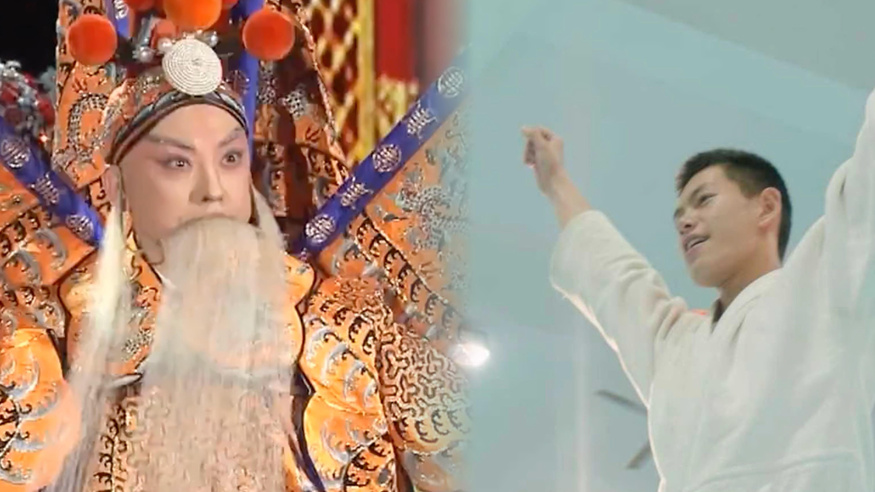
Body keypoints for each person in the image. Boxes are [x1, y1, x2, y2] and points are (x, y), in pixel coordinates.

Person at [0, 1, 466, 491]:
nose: (213, 191)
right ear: (116, 186)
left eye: (229, 159)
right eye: (178, 164)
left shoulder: (342, 326)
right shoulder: (47, 331)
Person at [522, 115, 874, 491]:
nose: (685, 222)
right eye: (679, 216)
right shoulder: (675, 346)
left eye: (704, 200)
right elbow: (611, 275)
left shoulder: (826, 284)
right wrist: (555, 181)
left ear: (767, 207)